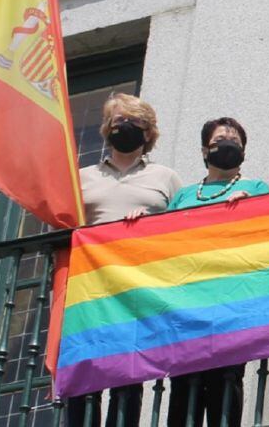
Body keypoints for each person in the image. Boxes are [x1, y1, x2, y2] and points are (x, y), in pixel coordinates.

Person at [68, 93, 184, 427]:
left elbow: (182, 227)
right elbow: (63, 227)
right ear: (106, 129)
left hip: (139, 285)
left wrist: (149, 224)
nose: (124, 127)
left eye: (133, 123)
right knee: (86, 367)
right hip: (91, 285)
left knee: (128, 371)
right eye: (118, 121)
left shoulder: (166, 178)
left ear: (148, 134)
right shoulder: (83, 177)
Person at [167, 117, 269, 427]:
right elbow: (163, 239)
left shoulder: (255, 188)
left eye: (234, 142)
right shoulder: (183, 195)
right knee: (184, 383)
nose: (227, 145)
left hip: (230, 300)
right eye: (219, 141)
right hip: (187, 300)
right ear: (203, 151)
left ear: (243, 153)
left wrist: (251, 207)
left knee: (226, 379)